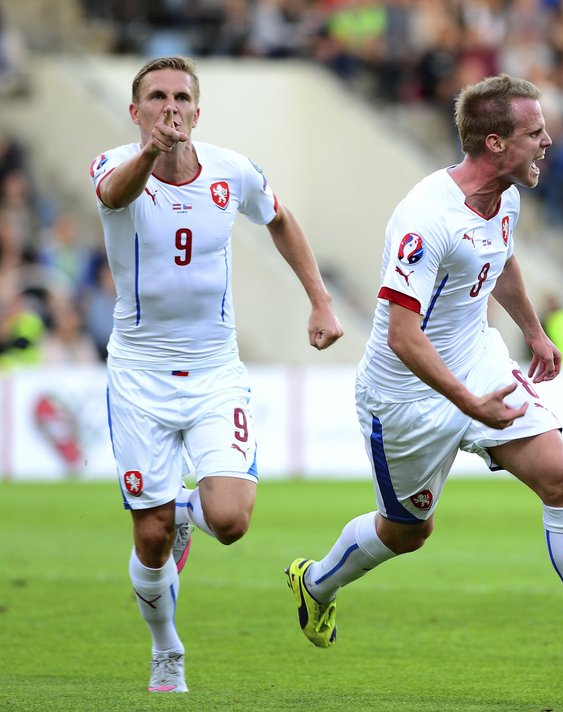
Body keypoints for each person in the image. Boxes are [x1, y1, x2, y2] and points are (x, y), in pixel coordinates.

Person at [284, 74, 563, 697]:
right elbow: (402, 335)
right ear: (496, 143)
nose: (548, 142)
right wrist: (468, 404)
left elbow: (499, 257)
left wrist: (532, 330)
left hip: (479, 361)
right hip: (406, 397)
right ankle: (316, 583)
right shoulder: (426, 220)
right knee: (407, 533)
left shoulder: (506, 192)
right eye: (535, 133)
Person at [90, 55, 343, 694]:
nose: (169, 107)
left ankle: (182, 509)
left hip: (213, 370)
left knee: (229, 521)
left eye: (180, 98)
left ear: (197, 112)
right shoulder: (114, 165)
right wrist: (151, 153)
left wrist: (319, 299)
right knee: (149, 538)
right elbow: (115, 196)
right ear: (136, 110)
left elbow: (280, 218)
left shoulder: (233, 171)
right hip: (141, 374)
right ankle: (165, 649)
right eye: (156, 97)